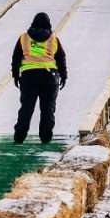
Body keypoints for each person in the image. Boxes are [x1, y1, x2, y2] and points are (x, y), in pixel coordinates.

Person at [12, 12, 68, 144]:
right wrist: (63, 76)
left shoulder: (24, 38)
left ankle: (19, 136)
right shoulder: (53, 39)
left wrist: (16, 75)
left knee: (26, 107)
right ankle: (46, 137)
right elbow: (61, 58)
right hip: (49, 77)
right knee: (48, 108)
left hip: (29, 76)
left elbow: (16, 58)